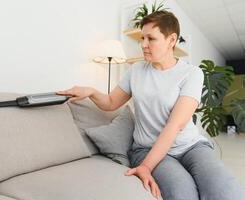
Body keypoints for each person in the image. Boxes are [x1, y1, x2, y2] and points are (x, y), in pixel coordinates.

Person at [57, 11, 245, 200]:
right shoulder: (136, 71)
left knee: (226, 191)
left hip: (190, 147)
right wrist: (91, 92)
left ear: (171, 40)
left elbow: (175, 125)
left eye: (151, 39)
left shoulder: (191, 73)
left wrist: (146, 168)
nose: (143, 44)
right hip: (147, 148)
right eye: (142, 38)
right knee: (182, 192)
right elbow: (111, 102)